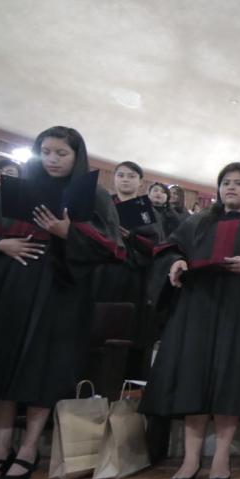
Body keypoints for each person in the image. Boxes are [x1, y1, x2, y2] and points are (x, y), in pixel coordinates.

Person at [0, 126, 123, 479]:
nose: (52, 160)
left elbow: (110, 248)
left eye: (61, 153)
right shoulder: (17, 189)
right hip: (9, 290)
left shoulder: (93, 196)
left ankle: (27, 450)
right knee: (2, 367)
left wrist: (66, 233)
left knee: (39, 371)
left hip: (60, 292)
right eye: (46, 152)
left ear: (77, 156)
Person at [140, 162, 240, 479]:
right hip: (197, 308)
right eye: (225, 183)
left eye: (239, 183)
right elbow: (168, 250)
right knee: (192, 381)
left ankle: (221, 458)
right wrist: (176, 263)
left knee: (229, 383)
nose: (231, 188)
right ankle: (190, 460)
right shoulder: (195, 222)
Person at [93, 162, 165, 379]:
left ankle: (125, 388)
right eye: (121, 175)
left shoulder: (147, 210)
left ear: (140, 182)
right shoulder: (102, 204)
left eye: (131, 176)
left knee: (130, 328)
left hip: (133, 276)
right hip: (102, 273)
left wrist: (131, 237)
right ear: (113, 178)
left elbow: (156, 245)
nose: (125, 179)